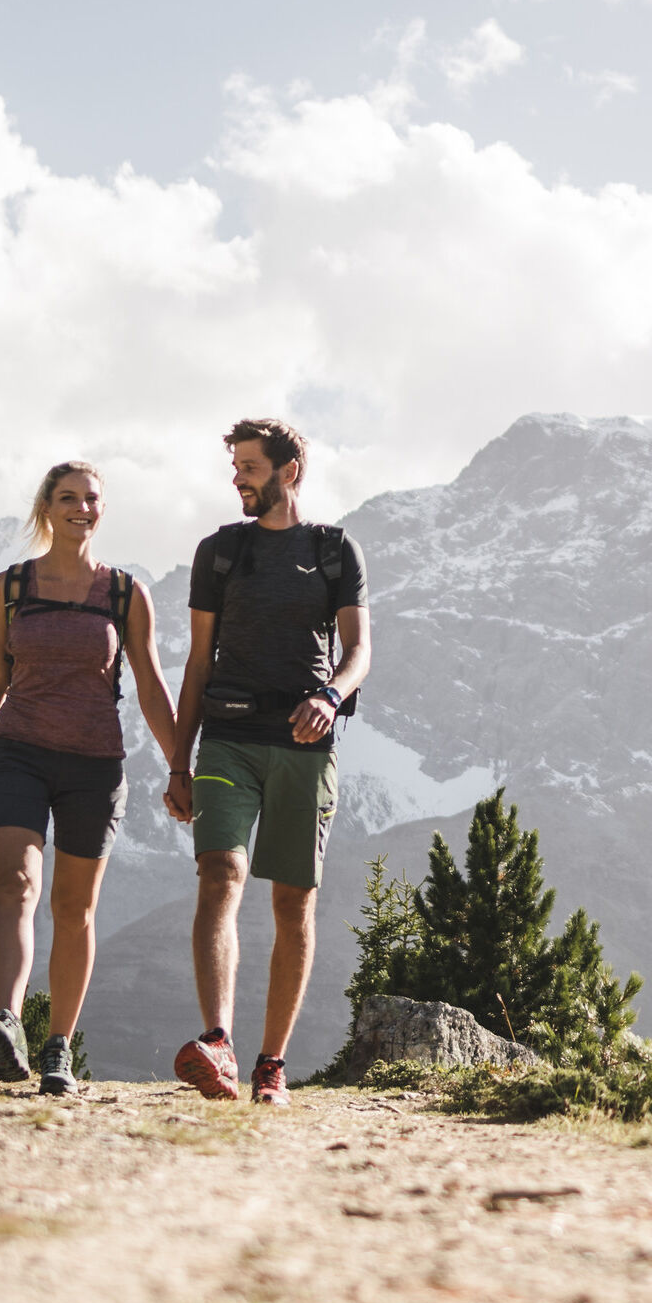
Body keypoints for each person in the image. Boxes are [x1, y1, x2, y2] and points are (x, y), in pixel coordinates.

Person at [163, 417, 371, 1105]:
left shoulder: (336, 552)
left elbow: (359, 650)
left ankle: (270, 1065)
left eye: (249, 466)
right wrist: (178, 763)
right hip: (226, 736)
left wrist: (331, 696)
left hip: (305, 747)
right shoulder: (219, 553)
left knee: (293, 903)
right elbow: (198, 662)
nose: (237, 479)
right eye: (236, 467)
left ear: (290, 471)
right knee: (220, 872)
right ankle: (217, 1043)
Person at [0, 462, 176, 1096]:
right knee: (16, 886)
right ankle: (6, 1020)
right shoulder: (9, 587)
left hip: (95, 766)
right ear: (46, 508)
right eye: (68, 498)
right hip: (18, 753)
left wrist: (179, 765)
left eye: (91, 499)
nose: (81, 508)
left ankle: (58, 1049)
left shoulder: (125, 594)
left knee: (74, 909)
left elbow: (150, 683)